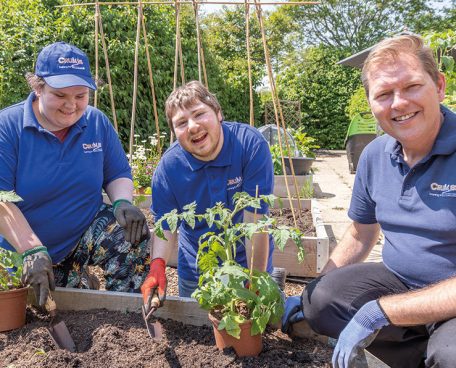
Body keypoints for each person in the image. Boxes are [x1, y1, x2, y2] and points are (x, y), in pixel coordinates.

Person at [282, 34, 456, 368]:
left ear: (439, 86)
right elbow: (362, 233)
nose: (399, 103)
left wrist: (380, 311)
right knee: (322, 301)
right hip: (402, 284)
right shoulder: (375, 155)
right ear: (371, 103)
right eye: (384, 94)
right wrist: (313, 290)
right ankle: (419, 354)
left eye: (411, 87)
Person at [0, 41, 150, 307]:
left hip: (81, 235)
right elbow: (2, 201)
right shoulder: (8, 128)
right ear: (38, 87)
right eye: (60, 95)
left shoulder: (95, 122)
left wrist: (122, 202)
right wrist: (31, 249)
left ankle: (128, 312)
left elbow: (117, 172)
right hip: (21, 249)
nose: (71, 105)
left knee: (130, 231)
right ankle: (77, 280)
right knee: (34, 306)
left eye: (80, 95)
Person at [140, 81, 276, 311]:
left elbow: (255, 224)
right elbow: (166, 225)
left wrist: (254, 282)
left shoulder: (249, 145)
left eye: (199, 114)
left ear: (218, 113)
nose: (192, 126)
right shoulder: (169, 167)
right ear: (174, 132)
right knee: (200, 332)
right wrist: (157, 266)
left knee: (251, 336)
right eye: (181, 123)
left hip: (247, 265)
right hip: (198, 273)